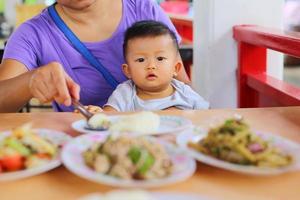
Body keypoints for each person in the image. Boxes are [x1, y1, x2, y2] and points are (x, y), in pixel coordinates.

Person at [0, 0, 190, 112]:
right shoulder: (32, 34)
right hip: (84, 152)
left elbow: (183, 87)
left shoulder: (142, 7)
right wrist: (30, 81)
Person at [97, 20, 208, 112]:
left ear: (176, 68)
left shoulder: (184, 92)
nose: (151, 66)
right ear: (128, 70)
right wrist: (98, 114)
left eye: (160, 58)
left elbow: (207, 115)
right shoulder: (125, 93)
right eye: (141, 60)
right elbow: (108, 118)